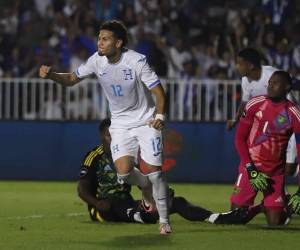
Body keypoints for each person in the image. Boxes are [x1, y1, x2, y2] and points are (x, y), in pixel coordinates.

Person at [40, 20, 171, 234]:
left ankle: (164, 221)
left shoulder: (136, 61)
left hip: (145, 122)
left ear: (118, 43)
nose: (99, 43)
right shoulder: (96, 61)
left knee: (156, 174)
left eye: (105, 39)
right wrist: (53, 75)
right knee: (124, 174)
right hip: (119, 124)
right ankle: (146, 188)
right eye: (99, 38)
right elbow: (72, 78)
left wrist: (160, 116)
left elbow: (158, 92)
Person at [78, 118, 213, 224]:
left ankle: (214, 217)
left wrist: (160, 192)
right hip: (104, 208)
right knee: (117, 205)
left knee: (177, 202)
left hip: (127, 202)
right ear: (102, 137)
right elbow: (82, 189)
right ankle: (141, 216)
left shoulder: (126, 155)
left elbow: (142, 180)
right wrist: (97, 203)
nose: (113, 139)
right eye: (109, 136)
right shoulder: (94, 157)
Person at [210, 71, 300, 226]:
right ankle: (261, 207)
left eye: (275, 83)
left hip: (275, 174)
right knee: (236, 218)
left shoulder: (294, 114)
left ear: (287, 87)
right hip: (250, 169)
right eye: (270, 82)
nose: (270, 86)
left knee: (276, 223)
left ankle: (264, 207)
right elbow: (240, 139)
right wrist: (250, 169)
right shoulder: (255, 104)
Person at [226, 47, 299, 198]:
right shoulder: (246, 80)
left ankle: (281, 195)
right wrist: (236, 118)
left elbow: (293, 82)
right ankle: (279, 197)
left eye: (240, 63)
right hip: (268, 128)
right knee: (272, 165)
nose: (237, 67)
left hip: (287, 126)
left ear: (250, 65)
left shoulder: (271, 74)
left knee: (289, 169)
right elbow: (245, 102)